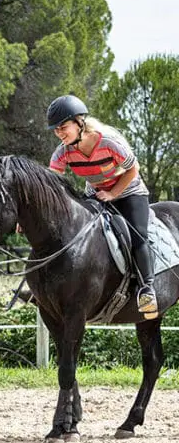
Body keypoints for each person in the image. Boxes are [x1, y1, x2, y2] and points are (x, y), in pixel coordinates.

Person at [46, 94, 157, 317]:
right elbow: (49, 184)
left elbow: (133, 170)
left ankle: (148, 289)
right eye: (56, 130)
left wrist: (114, 193)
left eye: (63, 127)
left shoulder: (109, 141)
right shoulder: (63, 152)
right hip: (96, 193)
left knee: (138, 235)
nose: (59, 134)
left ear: (79, 122)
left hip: (129, 191)